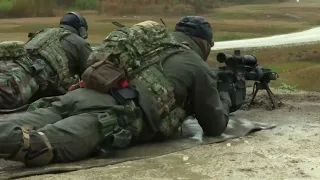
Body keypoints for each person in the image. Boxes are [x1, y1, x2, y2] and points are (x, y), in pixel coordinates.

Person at [0, 16, 232, 167]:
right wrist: (226, 96)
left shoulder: (149, 45)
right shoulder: (196, 65)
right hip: (108, 116)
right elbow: (214, 126)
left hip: (76, 97)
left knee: (15, 125)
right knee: (38, 146)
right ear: (204, 44)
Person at [0, 12, 92, 111]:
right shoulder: (80, 42)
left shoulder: (43, 33)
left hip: (12, 68)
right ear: (82, 30)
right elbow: (92, 74)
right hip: (26, 82)